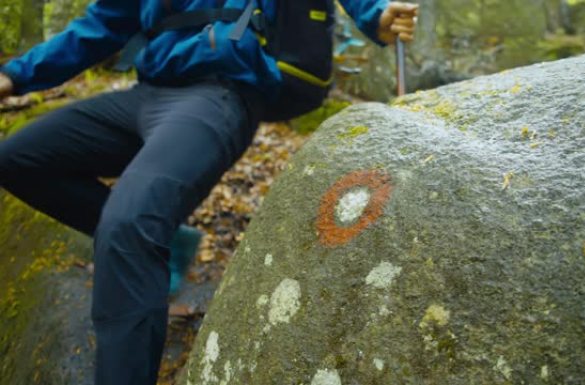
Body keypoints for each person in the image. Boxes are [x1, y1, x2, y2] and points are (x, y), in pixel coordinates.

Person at [0, 0, 418, 384]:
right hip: (146, 94)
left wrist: (373, 13)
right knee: (16, 158)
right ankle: (171, 242)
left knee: (129, 225)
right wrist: (14, 76)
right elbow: (101, 24)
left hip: (220, 95)